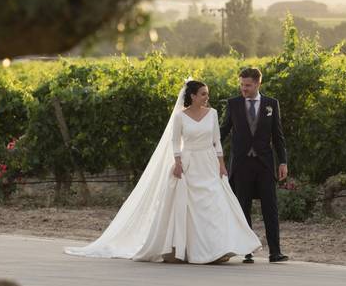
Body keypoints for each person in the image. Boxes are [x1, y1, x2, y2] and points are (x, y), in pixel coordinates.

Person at [65, 80, 261, 264]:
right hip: (189, 162)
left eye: (206, 94)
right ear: (192, 96)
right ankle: (188, 249)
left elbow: (217, 140)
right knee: (188, 205)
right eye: (203, 94)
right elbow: (176, 141)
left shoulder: (212, 113)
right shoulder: (180, 116)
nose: (206, 97)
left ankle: (218, 248)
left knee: (215, 202)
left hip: (209, 162)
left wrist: (221, 163)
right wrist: (177, 162)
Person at [220, 67, 289, 263]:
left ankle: (275, 252)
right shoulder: (233, 104)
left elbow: (278, 136)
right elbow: (223, 130)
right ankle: (246, 250)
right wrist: (207, 146)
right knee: (243, 207)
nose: (244, 88)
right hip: (241, 164)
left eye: (248, 85)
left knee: (270, 208)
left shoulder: (271, 104)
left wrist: (283, 161)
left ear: (258, 83)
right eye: (241, 85)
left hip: (265, 164)